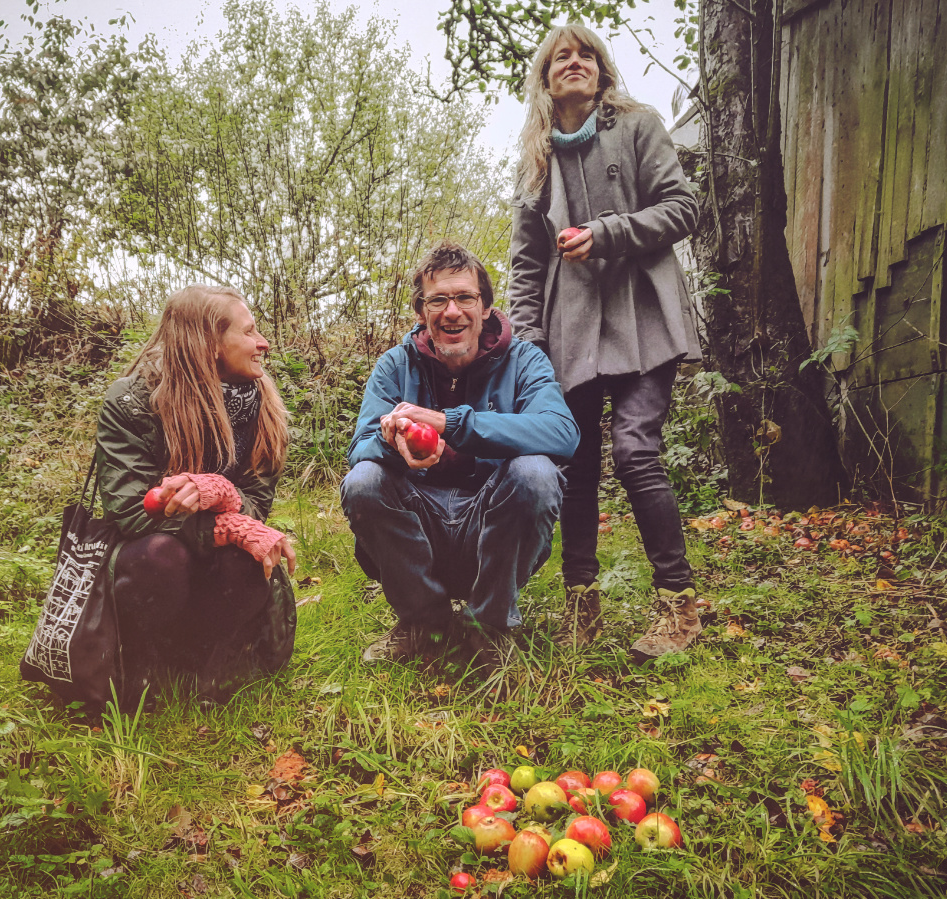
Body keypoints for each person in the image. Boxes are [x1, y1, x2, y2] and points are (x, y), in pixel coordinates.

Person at [505, 24, 703, 661]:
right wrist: (529, 341)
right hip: (571, 333)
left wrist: (611, 232)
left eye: (585, 53)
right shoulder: (536, 158)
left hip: (645, 318)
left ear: (601, 69)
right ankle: (580, 606)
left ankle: (678, 604)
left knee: (635, 450)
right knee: (576, 464)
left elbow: (683, 207)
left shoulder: (639, 126)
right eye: (561, 56)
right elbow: (526, 264)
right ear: (545, 77)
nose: (574, 61)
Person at [341, 241, 579, 669]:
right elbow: (359, 446)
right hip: (420, 520)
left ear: (486, 307)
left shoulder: (525, 359)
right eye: (438, 300)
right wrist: (393, 443)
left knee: (536, 472)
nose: (452, 312)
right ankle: (423, 623)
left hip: (492, 519)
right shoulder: (394, 365)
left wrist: (450, 424)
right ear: (420, 312)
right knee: (363, 479)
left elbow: (562, 432)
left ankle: (488, 626)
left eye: (465, 297)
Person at [95, 285, 297, 709]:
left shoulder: (262, 405)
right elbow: (132, 512)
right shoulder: (132, 402)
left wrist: (221, 493)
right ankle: (140, 666)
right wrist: (228, 524)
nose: (263, 343)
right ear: (210, 345)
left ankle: (214, 663)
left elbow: (257, 503)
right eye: (249, 332)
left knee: (249, 557)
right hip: (154, 565)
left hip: (214, 566)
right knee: (161, 554)